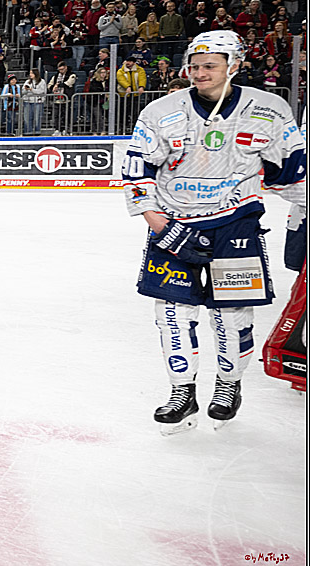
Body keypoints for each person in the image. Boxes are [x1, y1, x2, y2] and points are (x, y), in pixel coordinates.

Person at [122, 30, 306, 435]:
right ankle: (181, 392)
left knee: (232, 313)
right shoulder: (160, 110)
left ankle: (228, 385)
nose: (199, 72)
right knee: (171, 312)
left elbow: (292, 171)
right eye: (194, 65)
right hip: (173, 224)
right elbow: (137, 169)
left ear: (234, 66)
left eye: (210, 66)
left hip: (236, 224)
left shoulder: (269, 109)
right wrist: (158, 223)